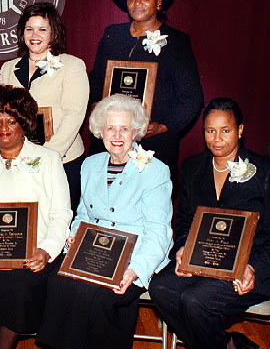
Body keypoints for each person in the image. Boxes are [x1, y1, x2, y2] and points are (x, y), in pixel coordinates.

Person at [149, 98, 270, 349]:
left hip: (250, 266)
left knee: (195, 301)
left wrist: (253, 268)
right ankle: (228, 344)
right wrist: (182, 250)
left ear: (240, 131)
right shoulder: (192, 168)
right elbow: (183, 223)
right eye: (210, 131)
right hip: (203, 260)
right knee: (160, 288)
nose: (217, 139)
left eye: (225, 131)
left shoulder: (266, 172)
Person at [37, 94, 173, 349]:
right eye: (110, 128)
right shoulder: (90, 165)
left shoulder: (155, 170)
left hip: (134, 257)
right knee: (58, 281)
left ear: (136, 131)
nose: (117, 135)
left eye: (125, 128)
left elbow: (159, 232)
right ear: (100, 130)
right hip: (93, 252)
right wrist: (74, 236)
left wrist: (134, 271)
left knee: (99, 297)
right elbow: (84, 215)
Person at [0, 85, 72, 349]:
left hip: (32, 255)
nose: (4, 128)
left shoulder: (48, 159)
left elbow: (61, 213)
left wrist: (46, 251)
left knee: (19, 287)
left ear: (24, 122)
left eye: (11, 121)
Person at [88, 0, 204, 179]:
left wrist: (163, 126)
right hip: (110, 139)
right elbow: (96, 80)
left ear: (159, 2)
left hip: (153, 143)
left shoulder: (176, 42)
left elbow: (191, 97)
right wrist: (95, 104)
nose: (137, 3)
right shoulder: (112, 35)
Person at [0, 2, 89, 212]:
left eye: (42, 29)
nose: (34, 35)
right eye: (29, 29)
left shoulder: (72, 65)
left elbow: (74, 115)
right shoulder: (9, 68)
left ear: (53, 32)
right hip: (18, 159)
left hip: (62, 160)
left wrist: (47, 156)